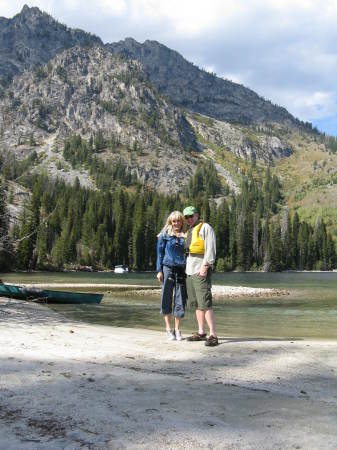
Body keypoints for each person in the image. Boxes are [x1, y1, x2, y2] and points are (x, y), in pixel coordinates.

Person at [183, 205, 218, 346]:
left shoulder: (206, 228)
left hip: (200, 268)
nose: (188, 219)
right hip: (190, 270)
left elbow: (211, 247)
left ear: (197, 215)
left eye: (191, 216)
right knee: (197, 303)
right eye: (186, 217)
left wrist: (206, 265)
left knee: (205, 302)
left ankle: (213, 335)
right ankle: (201, 332)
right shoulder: (189, 231)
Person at [156, 211, 187, 341]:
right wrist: (159, 270)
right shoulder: (164, 235)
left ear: (181, 222)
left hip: (181, 269)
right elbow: (159, 253)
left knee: (180, 298)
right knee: (166, 297)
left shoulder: (186, 235)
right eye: (174, 221)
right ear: (170, 222)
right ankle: (168, 329)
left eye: (178, 221)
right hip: (167, 267)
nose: (176, 223)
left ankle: (177, 329)